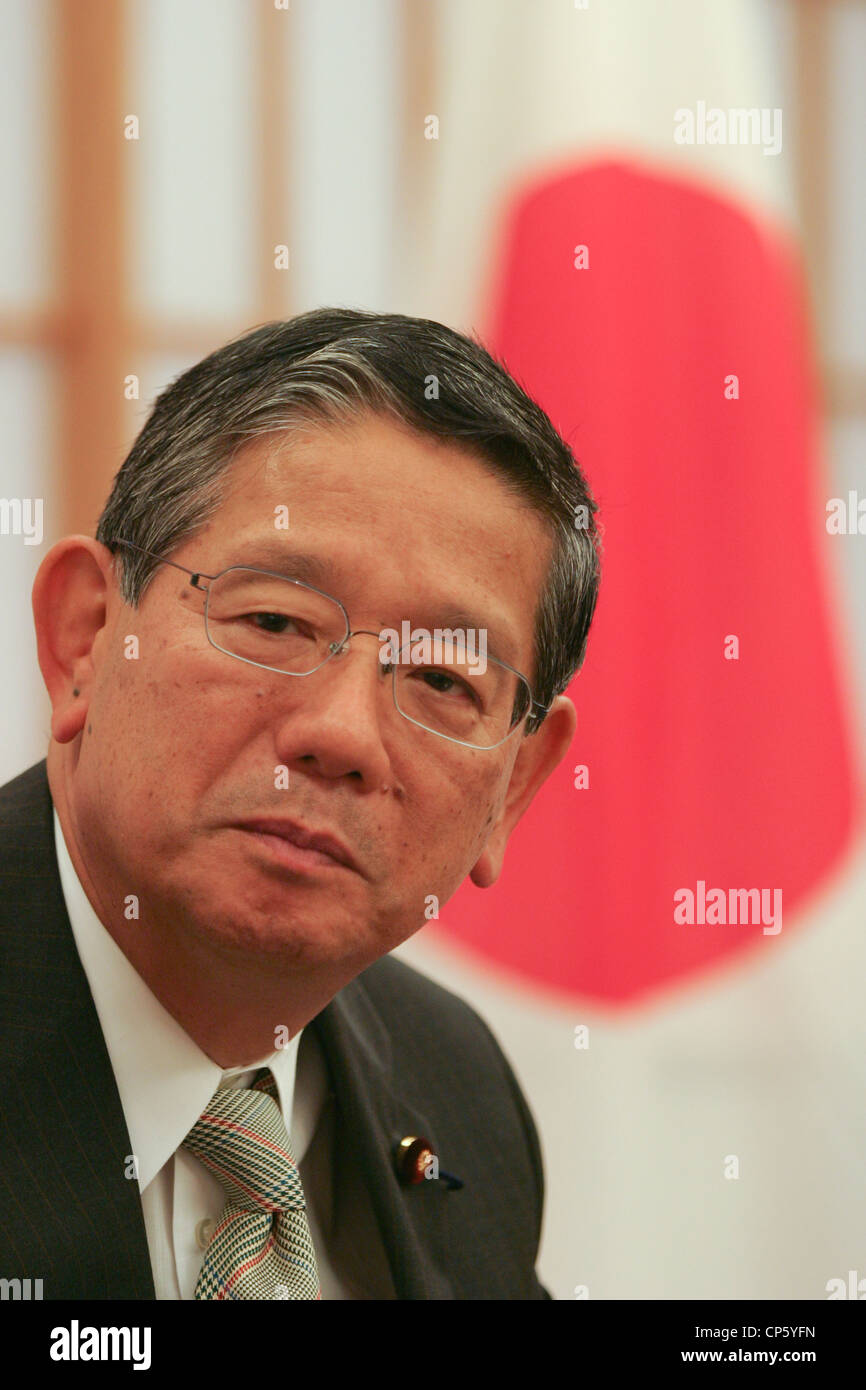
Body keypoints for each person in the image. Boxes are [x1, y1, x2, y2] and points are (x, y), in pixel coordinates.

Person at [0, 308, 601, 1300]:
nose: (343, 735)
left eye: (445, 681)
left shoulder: (459, 1092)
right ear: (85, 638)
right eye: (274, 619)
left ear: (514, 785)